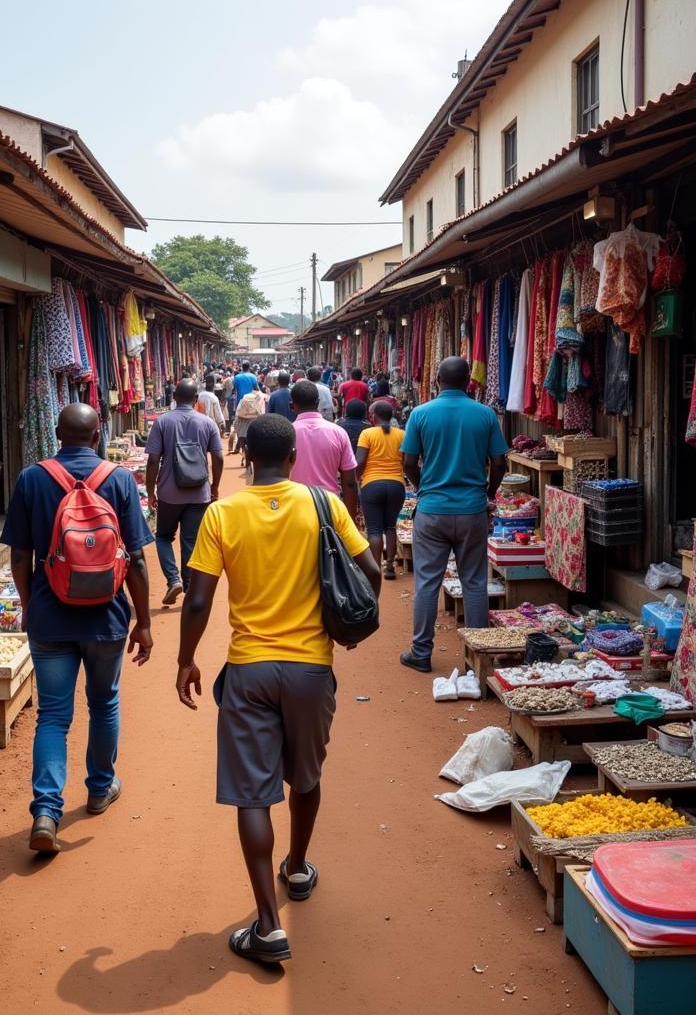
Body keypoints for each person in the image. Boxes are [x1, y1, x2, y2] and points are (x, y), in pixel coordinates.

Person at [176, 414, 381, 964]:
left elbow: (197, 601)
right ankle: (297, 868)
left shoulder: (222, 514)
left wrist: (185, 660)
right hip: (313, 668)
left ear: (243, 454)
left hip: (248, 670)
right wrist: (351, 631)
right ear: (292, 458)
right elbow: (372, 572)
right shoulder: (325, 505)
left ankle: (266, 926)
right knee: (306, 779)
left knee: (253, 794)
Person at [1, 404, 154, 855]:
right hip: (106, 618)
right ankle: (100, 788)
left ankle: (46, 811)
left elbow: (17, 555)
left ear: (55, 432)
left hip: (50, 618)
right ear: (97, 434)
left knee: (52, 715)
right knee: (104, 701)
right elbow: (139, 560)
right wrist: (143, 622)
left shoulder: (32, 478)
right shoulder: (120, 479)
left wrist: (31, 606)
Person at [400, 356, 509, 672]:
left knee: (427, 583)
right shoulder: (485, 415)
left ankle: (421, 653)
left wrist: (423, 489)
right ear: (468, 383)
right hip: (472, 509)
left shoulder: (420, 414)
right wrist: (487, 493)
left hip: (432, 511)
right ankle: (478, 658)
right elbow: (499, 463)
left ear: (436, 381)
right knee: (474, 582)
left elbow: (408, 463)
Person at [146, 380, 224, 605]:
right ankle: (189, 588)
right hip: (199, 493)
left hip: (169, 492)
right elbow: (218, 457)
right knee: (190, 541)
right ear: (196, 400)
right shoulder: (207, 422)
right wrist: (215, 486)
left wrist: (151, 492)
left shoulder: (163, 422)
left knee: (162, 537)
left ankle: (173, 580)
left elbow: (152, 460)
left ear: (174, 398)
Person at [289, 379, 359, 520]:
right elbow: (350, 481)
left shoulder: (286, 434)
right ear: (318, 402)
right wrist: (350, 520)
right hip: (330, 509)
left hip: (295, 509)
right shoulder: (338, 432)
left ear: (292, 406)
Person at [356, 400, 408, 581]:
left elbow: (360, 461)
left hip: (372, 485)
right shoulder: (402, 434)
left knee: (374, 530)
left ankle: (375, 569)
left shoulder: (367, 433)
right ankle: (390, 567)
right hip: (396, 485)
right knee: (390, 527)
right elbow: (406, 462)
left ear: (373, 417)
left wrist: (356, 478)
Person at [233, 382, 267, 466]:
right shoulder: (263, 396)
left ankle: (245, 457)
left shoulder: (245, 397)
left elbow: (238, 412)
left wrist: (236, 425)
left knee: (244, 442)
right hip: (258, 423)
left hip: (245, 423)